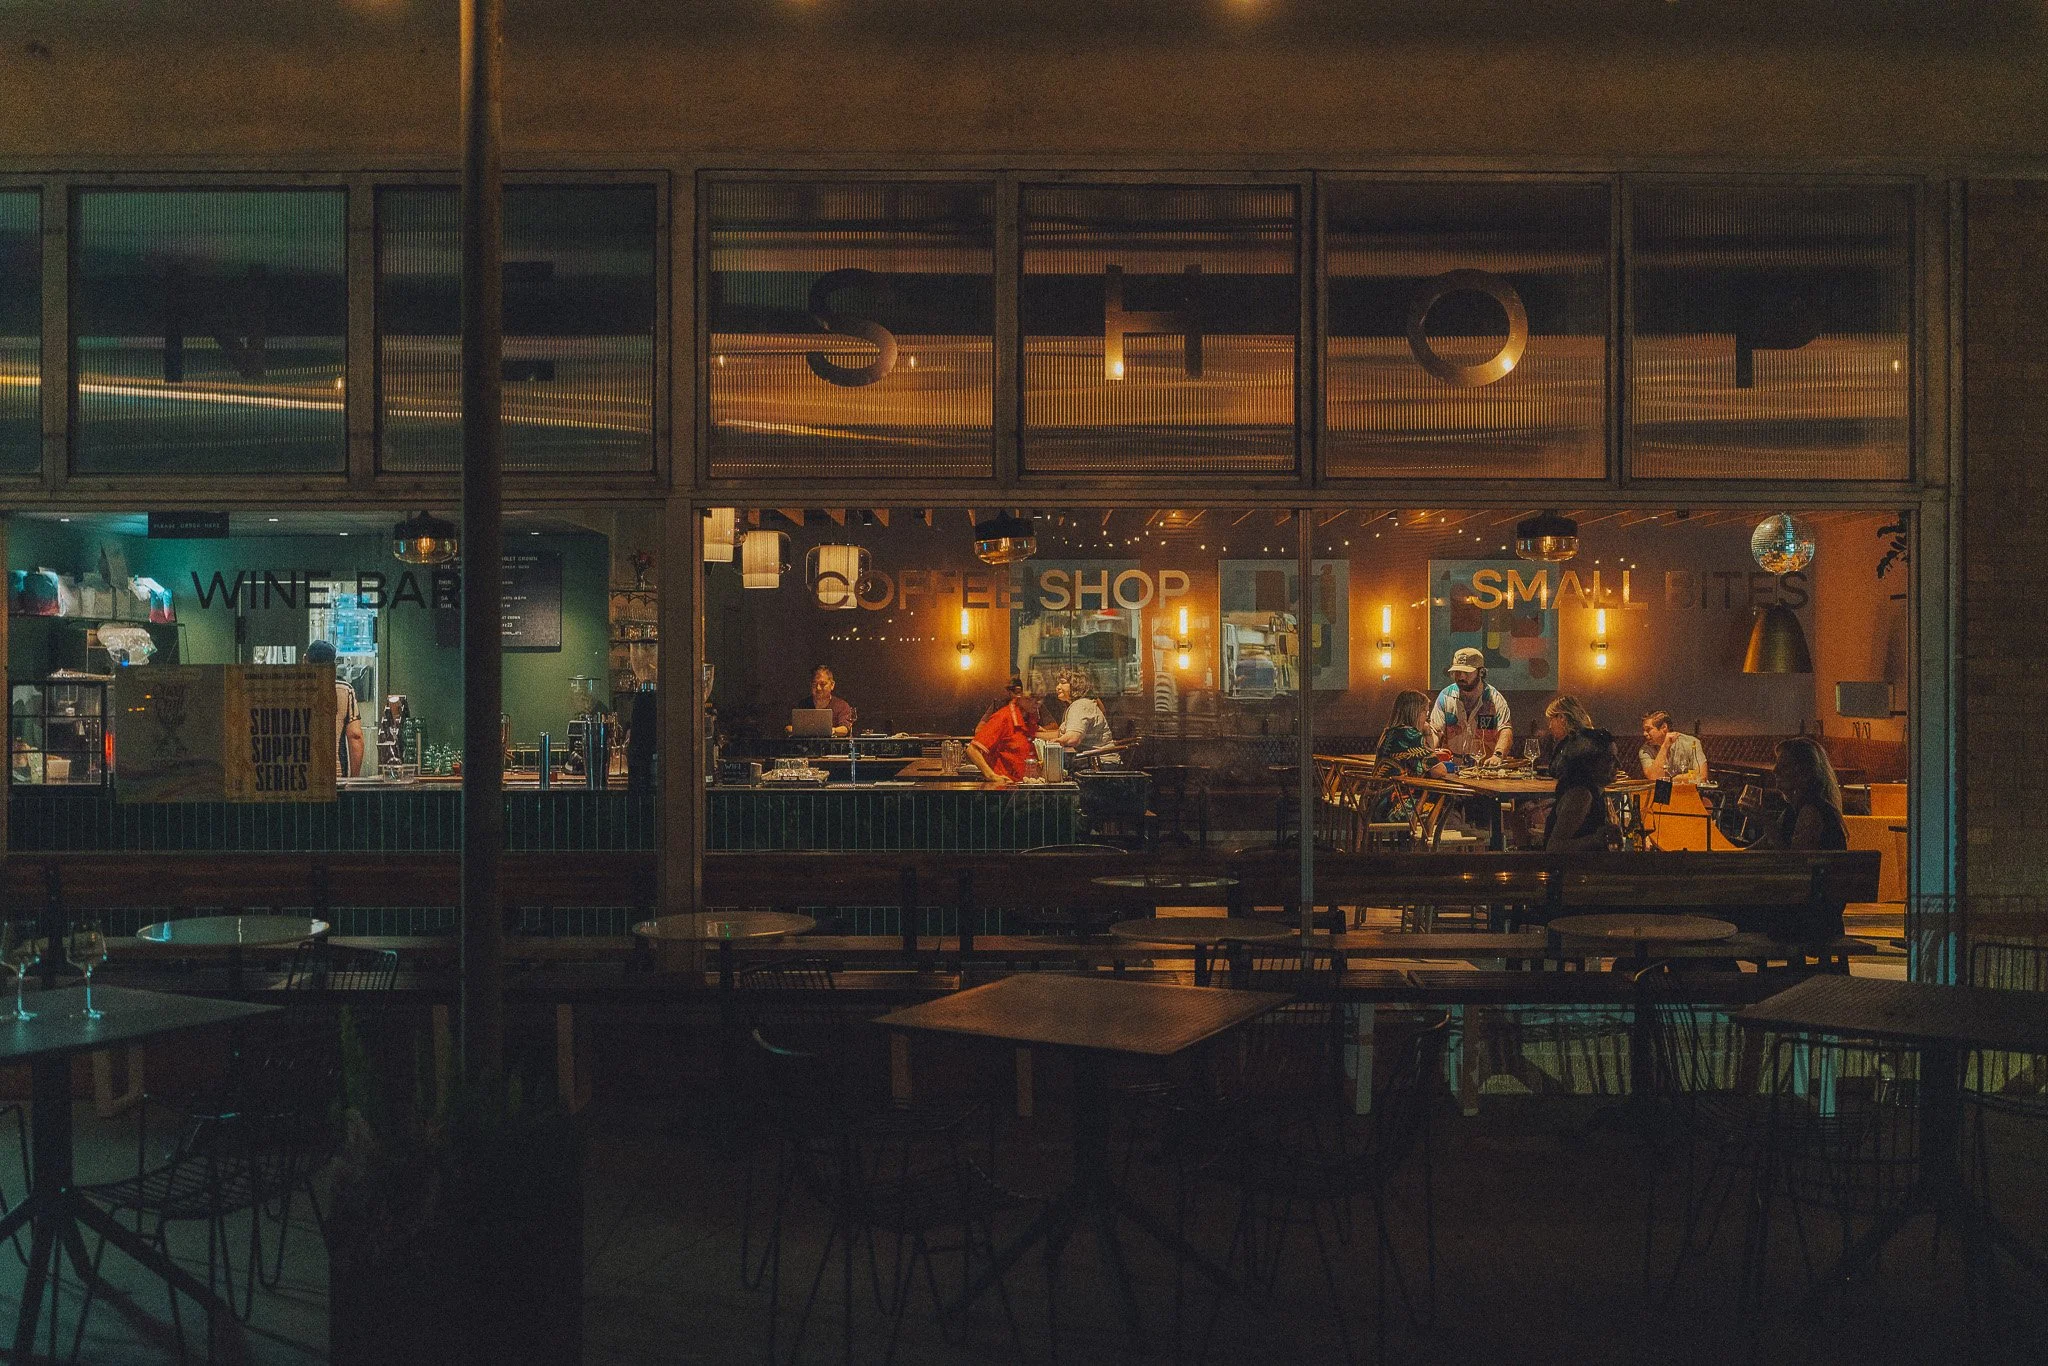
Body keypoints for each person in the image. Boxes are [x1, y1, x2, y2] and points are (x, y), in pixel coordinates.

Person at [1748, 736, 1849, 942]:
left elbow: (1795, 867)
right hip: (1801, 911)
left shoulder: (1812, 811)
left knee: (1713, 921)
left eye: (1783, 765)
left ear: (1804, 772)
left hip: (1808, 918)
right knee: (1711, 920)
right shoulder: (1794, 811)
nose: (1775, 770)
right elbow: (1760, 849)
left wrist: (1767, 822)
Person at [1372, 689, 1450, 824]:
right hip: (1397, 805)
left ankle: (1410, 843)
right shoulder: (1409, 734)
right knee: (1451, 812)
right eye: (1425, 711)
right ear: (1415, 713)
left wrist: (1426, 734)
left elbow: (1429, 759)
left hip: (1378, 802)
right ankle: (1427, 844)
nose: (1427, 717)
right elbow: (1439, 771)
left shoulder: (1390, 732)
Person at [1428, 646, 1513, 763]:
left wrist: (1498, 755)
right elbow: (1435, 731)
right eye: (1457, 672)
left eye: (1467, 672)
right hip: (1452, 768)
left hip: (1484, 768)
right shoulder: (1445, 696)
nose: (1461, 676)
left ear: (1481, 672)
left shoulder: (1495, 699)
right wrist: (1429, 753)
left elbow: (1505, 730)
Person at [1543, 728, 1622, 852]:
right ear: (1589, 763)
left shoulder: (1595, 791)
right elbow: (1553, 848)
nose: (1619, 764)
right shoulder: (1581, 795)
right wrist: (1596, 839)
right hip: (1571, 870)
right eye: (1610, 759)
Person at [306, 640, 364, 778]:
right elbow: (355, 736)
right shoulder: (344, 690)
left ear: (305, 660)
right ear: (333, 665)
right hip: (335, 776)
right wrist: (354, 779)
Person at [967, 689, 1039, 784]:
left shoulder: (1029, 719)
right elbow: (972, 750)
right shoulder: (1003, 717)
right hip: (1005, 790)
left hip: (1023, 788)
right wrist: (991, 775)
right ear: (1018, 695)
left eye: (1040, 698)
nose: (1037, 702)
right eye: (1032, 698)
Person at [1042, 670, 1112, 753]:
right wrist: (1034, 735)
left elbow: (1073, 738)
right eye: (1058, 683)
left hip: (1096, 763)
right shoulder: (1080, 704)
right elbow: (1064, 733)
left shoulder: (1079, 706)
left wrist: (1055, 742)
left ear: (1076, 685)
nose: (1058, 687)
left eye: (1063, 683)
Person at [1639, 710, 1708, 783]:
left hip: (1689, 792)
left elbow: (1702, 775)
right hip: (1662, 793)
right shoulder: (1645, 750)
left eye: (1648, 729)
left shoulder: (1691, 743)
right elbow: (1654, 777)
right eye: (1644, 730)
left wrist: (1673, 779)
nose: (1644, 734)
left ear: (1664, 727)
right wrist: (1665, 746)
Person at [790, 665, 855, 737]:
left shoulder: (841, 705)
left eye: (822, 684)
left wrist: (832, 730)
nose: (818, 688)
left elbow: (845, 729)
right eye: (814, 684)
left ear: (832, 685)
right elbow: (788, 728)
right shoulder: (803, 704)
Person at [1539, 695, 1594, 774]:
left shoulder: (1574, 745)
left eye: (1551, 720)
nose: (1550, 726)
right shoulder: (1589, 738)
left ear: (1562, 717)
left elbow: (1557, 772)